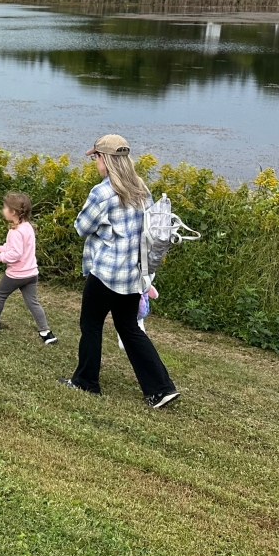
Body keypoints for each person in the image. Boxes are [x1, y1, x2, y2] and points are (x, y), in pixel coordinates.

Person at [60, 134, 180, 409]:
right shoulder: (141, 188)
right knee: (129, 328)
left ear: (104, 159)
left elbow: (81, 228)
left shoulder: (101, 192)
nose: (95, 163)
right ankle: (161, 388)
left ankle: (86, 381)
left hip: (106, 272)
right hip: (133, 275)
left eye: (95, 157)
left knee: (91, 325)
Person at [0, 192, 57, 344]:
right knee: (33, 303)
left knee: (0, 294)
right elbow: (14, 248)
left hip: (16, 275)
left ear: (13, 212)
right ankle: (46, 333)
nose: (3, 210)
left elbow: (15, 254)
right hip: (31, 274)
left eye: (5, 207)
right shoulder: (27, 227)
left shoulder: (15, 231)